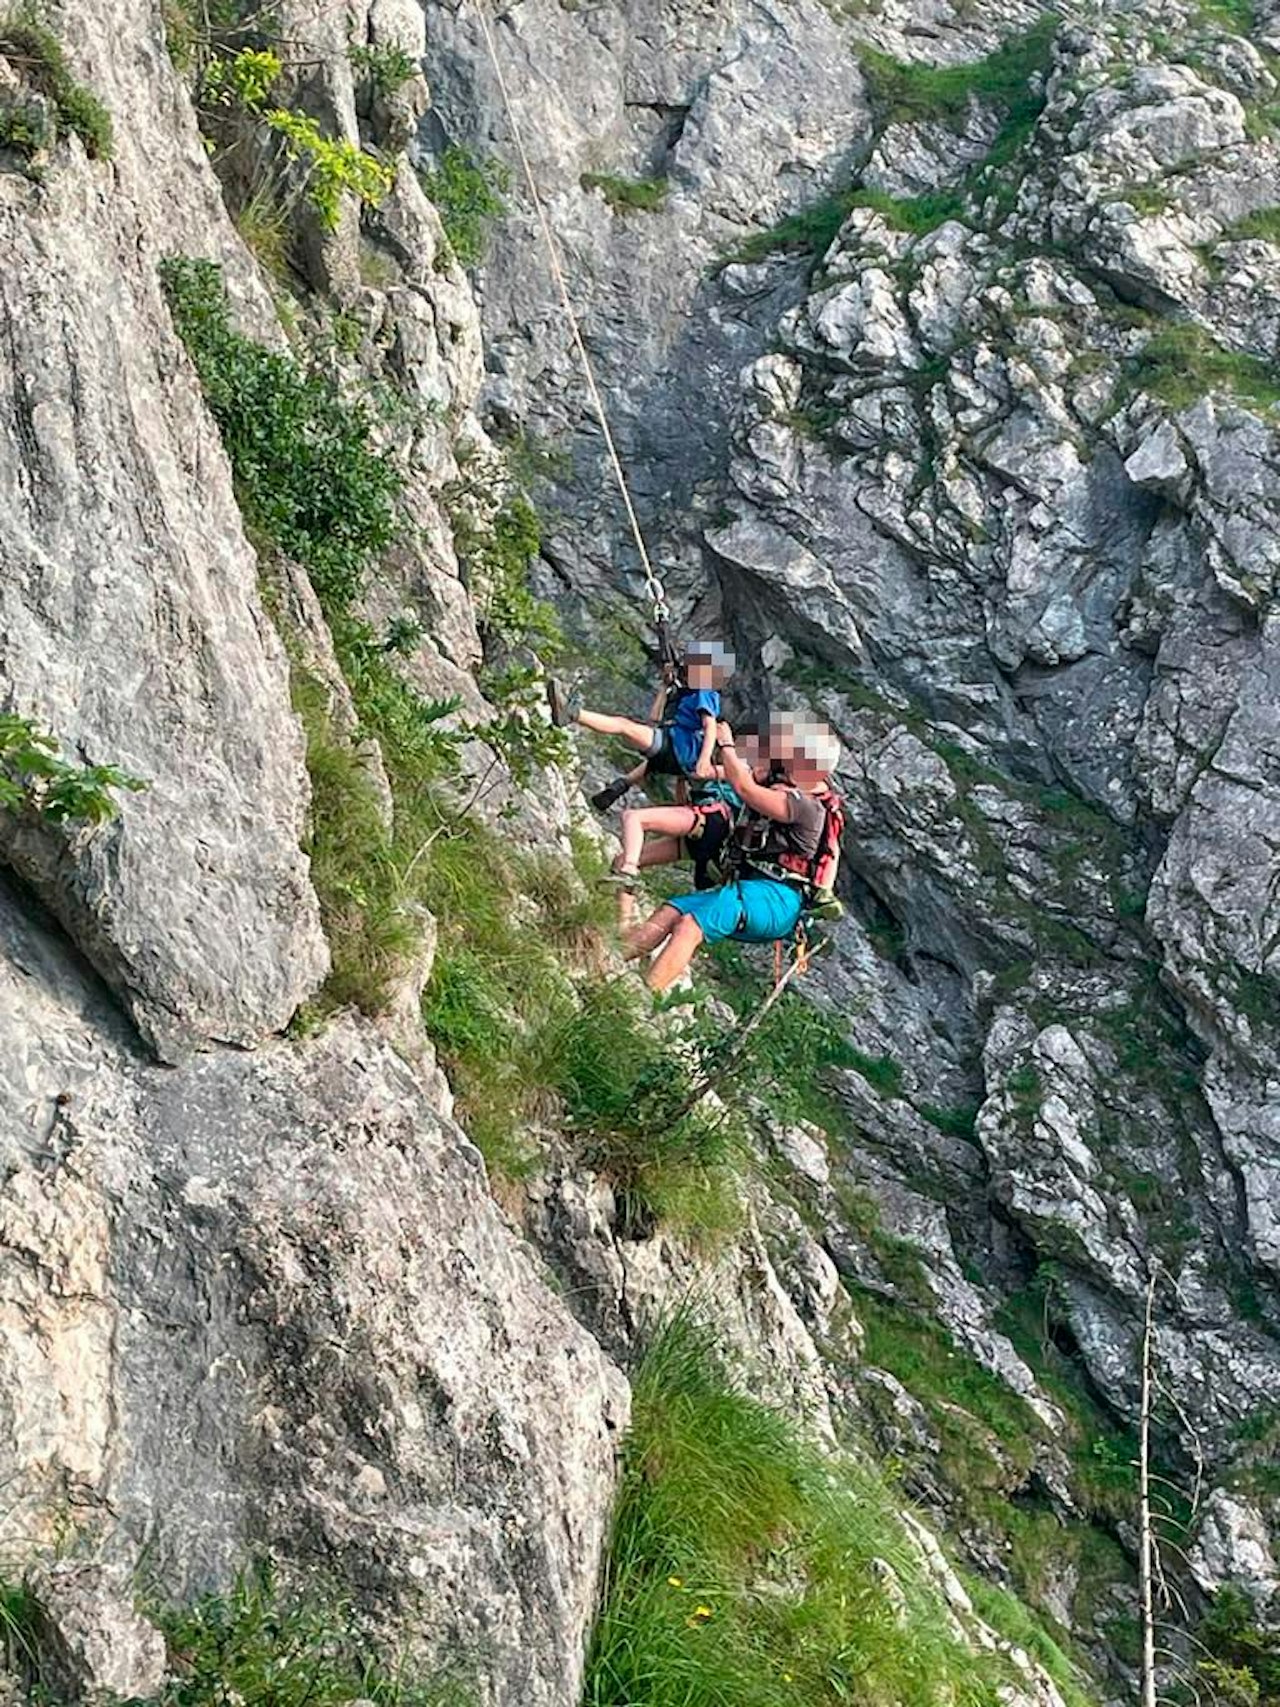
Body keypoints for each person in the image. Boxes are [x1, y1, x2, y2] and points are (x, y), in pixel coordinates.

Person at [622, 712, 843, 992]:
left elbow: (745, 789)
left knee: (690, 926)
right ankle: (612, 960)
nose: (788, 757)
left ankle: (643, 995)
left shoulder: (806, 807)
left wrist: (726, 744)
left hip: (778, 898)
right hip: (755, 888)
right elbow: (748, 774)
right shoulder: (789, 782)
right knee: (671, 911)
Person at [546, 640, 735, 812]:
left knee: (623, 725)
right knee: (651, 755)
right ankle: (619, 787)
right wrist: (664, 688)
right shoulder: (687, 695)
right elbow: (653, 720)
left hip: (679, 749)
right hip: (674, 752)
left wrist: (703, 761)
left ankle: (572, 714)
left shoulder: (706, 692)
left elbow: (709, 726)